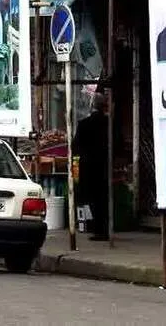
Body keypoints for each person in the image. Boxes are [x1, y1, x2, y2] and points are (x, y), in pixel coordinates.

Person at [73, 96, 111, 241]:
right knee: (104, 198)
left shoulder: (84, 124)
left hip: (88, 168)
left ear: (92, 106)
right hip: (105, 165)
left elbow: (76, 146)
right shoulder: (109, 123)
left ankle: (98, 229)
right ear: (104, 106)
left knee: (93, 198)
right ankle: (105, 229)